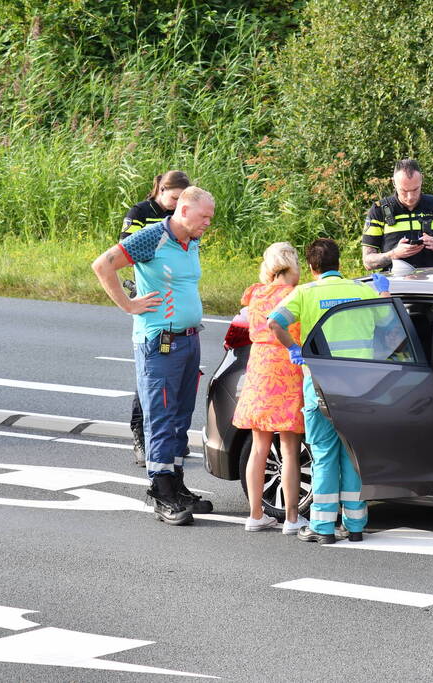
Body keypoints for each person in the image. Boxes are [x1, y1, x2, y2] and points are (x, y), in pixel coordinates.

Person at [92, 187, 216, 526]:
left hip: (189, 339)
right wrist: (129, 305)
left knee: (180, 416)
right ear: (184, 210)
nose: (208, 222)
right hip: (160, 342)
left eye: (210, 217)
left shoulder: (192, 240)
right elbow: (102, 265)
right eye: (204, 216)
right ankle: (162, 492)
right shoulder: (153, 237)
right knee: (161, 416)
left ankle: (176, 484)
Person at [267, 238, 390, 544]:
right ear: (340, 263)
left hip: (320, 385)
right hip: (360, 387)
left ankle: (322, 528)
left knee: (323, 455)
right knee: (352, 455)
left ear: (312, 267)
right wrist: (384, 292)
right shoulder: (362, 291)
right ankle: (355, 525)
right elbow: (389, 322)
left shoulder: (306, 293)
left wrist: (294, 349)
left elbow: (275, 323)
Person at [231, 242, 307, 534]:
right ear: (292, 263)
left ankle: (255, 515)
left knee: (259, 447)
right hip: (286, 367)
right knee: (289, 448)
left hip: (259, 369)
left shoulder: (255, 293)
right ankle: (292, 518)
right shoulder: (296, 294)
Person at [120, 171, 191, 467]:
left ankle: (171, 439)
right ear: (161, 190)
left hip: (174, 306)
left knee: (174, 377)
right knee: (150, 377)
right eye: (174, 198)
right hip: (151, 302)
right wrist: (131, 301)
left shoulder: (182, 218)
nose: (177, 205)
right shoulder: (140, 213)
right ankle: (141, 435)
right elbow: (126, 249)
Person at [361, 158, 433, 273]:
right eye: (404, 191)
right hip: (396, 282)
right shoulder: (379, 210)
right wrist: (394, 254)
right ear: (394, 183)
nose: (410, 197)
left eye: (415, 189)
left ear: (421, 180)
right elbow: (367, 262)